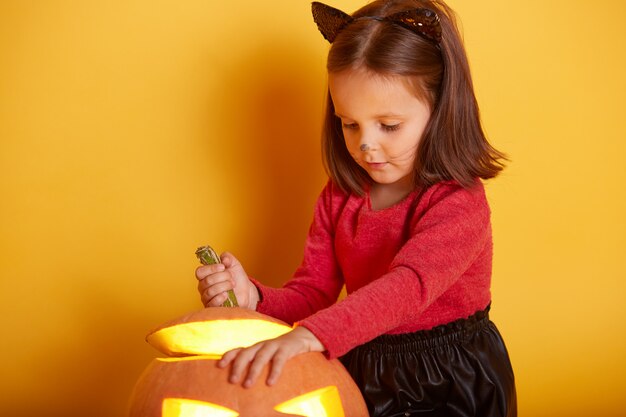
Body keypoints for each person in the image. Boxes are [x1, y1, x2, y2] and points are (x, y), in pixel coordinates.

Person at [196, 1, 517, 415]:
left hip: (447, 377)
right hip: (359, 360)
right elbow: (313, 292)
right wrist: (255, 299)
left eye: (388, 126)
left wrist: (311, 336)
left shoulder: (459, 202)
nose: (365, 144)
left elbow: (407, 287)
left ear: (440, 111)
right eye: (349, 123)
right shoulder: (339, 196)